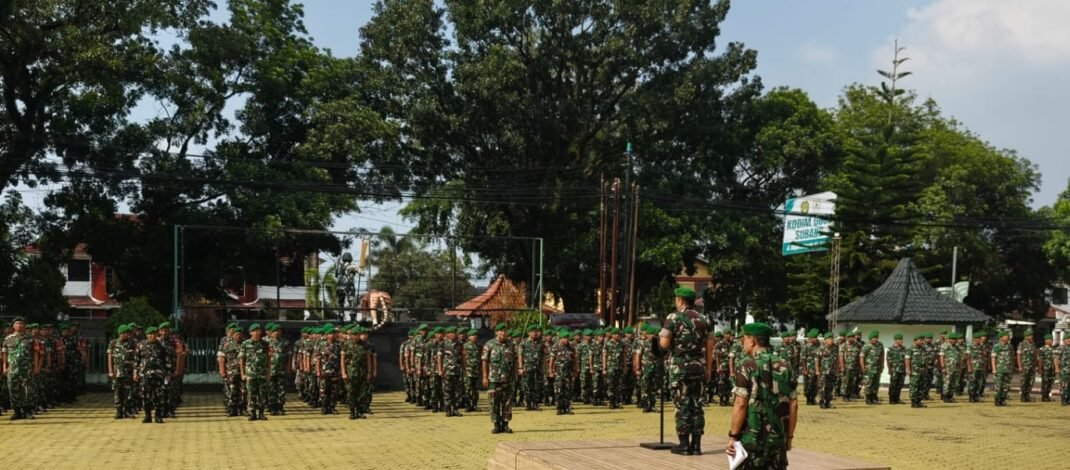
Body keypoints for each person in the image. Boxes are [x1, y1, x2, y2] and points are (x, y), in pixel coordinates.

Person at [726, 322, 798, 470]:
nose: (742, 343)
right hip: (777, 439)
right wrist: (789, 438)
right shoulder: (785, 365)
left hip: (752, 440)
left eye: (744, 339)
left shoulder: (746, 364)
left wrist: (733, 436)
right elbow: (793, 405)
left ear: (752, 341)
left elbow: (740, 403)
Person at [658, 287, 713, 456]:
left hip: (680, 367)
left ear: (680, 300)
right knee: (697, 405)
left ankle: (684, 445)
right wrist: (708, 367)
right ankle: (696, 446)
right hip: (699, 366)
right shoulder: (704, 319)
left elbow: (665, 344)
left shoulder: (673, 318)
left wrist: (662, 343)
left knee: (682, 404)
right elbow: (710, 345)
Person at [3, 317, 41, 420]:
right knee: (13, 390)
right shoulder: (7, 339)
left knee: (28, 390)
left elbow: (36, 353)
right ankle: (17, 412)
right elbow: (5, 354)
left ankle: (27, 411)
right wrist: (4, 367)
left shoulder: (31, 339)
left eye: (21, 323)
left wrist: (36, 366)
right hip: (13, 369)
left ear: (24, 326)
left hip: (27, 369)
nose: (19, 325)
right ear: (13, 326)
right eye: (17, 323)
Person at [482, 323, 516, 434]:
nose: (503, 333)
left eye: (504, 331)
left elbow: (515, 361)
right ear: (496, 332)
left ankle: (505, 424)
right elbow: (484, 361)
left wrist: (515, 375)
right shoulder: (489, 344)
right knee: (494, 402)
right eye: (500, 331)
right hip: (494, 379)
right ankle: (496, 424)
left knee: (507, 402)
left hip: (508, 379)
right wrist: (485, 377)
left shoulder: (511, 344)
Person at [134, 326, 171, 424]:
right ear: (146, 335)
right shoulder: (141, 345)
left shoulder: (161, 346)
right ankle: (147, 415)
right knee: (145, 396)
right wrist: (135, 373)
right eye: (150, 334)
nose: (152, 336)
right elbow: (136, 360)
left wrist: (168, 373)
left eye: (154, 334)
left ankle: (158, 416)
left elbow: (167, 360)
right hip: (145, 375)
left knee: (159, 396)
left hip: (158, 375)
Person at [239, 323, 271, 420]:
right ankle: (252, 412)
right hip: (250, 373)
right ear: (250, 333)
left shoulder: (265, 344)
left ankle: (261, 413)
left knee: (262, 393)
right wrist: (242, 373)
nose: (257, 333)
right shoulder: (245, 344)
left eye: (258, 331)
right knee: (251, 393)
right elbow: (242, 359)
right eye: (254, 331)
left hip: (261, 373)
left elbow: (269, 358)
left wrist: (268, 372)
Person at [107, 324, 137, 418]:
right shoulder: (113, 343)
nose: (128, 335)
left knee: (128, 392)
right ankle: (119, 411)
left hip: (128, 371)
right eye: (125, 333)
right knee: (117, 392)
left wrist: (135, 372)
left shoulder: (132, 343)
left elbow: (136, 358)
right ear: (120, 333)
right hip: (117, 372)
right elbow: (109, 358)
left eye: (128, 333)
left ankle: (127, 411)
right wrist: (110, 370)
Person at [548, 329, 576, 415]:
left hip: (568, 373)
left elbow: (575, 359)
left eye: (567, 338)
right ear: (561, 339)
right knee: (558, 390)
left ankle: (567, 408)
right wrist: (551, 371)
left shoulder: (571, 347)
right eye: (564, 338)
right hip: (559, 373)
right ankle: (559, 408)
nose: (566, 340)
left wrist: (575, 370)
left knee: (568, 390)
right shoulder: (555, 347)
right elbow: (552, 360)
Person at [859, 331, 884, 405]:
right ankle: (868, 399)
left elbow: (882, 356)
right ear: (870, 339)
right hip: (869, 368)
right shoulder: (866, 346)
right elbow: (861, 357)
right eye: (873, 338)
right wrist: (863, 368)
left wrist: (882, 365)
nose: (875, 339)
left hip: (877, 368)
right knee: (868, 383)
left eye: (876, 337)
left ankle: (874, 398)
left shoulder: (880, 345)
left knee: (876, 383)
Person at [991, 331, 1014, 407]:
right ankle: (997, 400)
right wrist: (994, 369)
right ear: (1000, 338)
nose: (1007, 337)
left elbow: (1011, 357)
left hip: (1007, 369)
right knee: (998, 385)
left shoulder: (1010, 346)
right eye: (1005, 336)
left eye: (1007, 336)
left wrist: (1012, 367)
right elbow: (993, 358)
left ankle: (1003, 399)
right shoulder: (996, 346)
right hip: (999, 369)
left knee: (1006, 386)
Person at [463, 329, 482, 412]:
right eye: (472, 335)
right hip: (468, 370)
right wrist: (464, 369)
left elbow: (480, 358)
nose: (474, 337)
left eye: (475, 335)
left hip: (476, 370)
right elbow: (463, 358)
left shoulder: (478, 346)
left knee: (476, 389)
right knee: (468, 388)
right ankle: (468, 405)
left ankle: (474, 405)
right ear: (469, 337)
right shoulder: (465, 346)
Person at [906, 334, 927, 408]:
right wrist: (908, 369)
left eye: (922, 340)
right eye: (920, 340)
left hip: (922, 370)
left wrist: (926, 368)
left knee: (921, 386)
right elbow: (907, 359)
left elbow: (925, 359)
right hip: (914, 371)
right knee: (914, 386)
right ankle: (914, 402)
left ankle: (919, 401)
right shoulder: (910, 349)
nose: (922, 342)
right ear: (915, 341)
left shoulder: (923, 349)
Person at [1017, 329, 1038, 402]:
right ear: (1025, 336)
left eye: (1032, 335)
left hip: (1032, 366)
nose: (1031, 336)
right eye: (1029, 335)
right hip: (1024, 366)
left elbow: (1035, 355)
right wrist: (1020, 366)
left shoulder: (1033, 344)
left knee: (1031, 381)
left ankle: (1027, 395)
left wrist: (1036, 365)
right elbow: (1019, 356)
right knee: (1024, 381)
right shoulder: (1021, 344)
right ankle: (1023, 396)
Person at [885, 333, 906, 404]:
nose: (900, 341)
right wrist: (889, 369)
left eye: (901, 339)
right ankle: (892, 399)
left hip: (902, 370)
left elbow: (905, 360)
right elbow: (888, 360)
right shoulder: (891, 349)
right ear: (895, 340)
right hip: (894, 370)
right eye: (898, 339)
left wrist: (906, 369)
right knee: (893, 385)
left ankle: (897, 398)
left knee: (900, 385)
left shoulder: (904, 349)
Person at [966, 335, 987, 403]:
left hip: (980, 367)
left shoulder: (981, 347)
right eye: (977, 339)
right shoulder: (970, 347)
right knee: (972, 382)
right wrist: (969, 367)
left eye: (979, 339)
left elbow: (984, 356)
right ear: (974, 339)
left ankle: (976, 396)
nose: (978, 341)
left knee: (979, 383)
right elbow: (968, 358)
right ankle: (971, 397)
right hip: (973, 367)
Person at [1039, 334, 1056, 402]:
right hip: (1045, 368)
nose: (1051, 341)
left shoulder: (1053, 349)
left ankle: (1047, 395)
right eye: (1050, 340)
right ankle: (1044, 396)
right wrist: (1040, 368)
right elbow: (1040, 359)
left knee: (1050, 382)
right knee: (1045, 382)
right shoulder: (1042, 349)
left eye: (1052, 340)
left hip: (1052, 368)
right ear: (1046, 341)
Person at [1056, 335, 1070, 406]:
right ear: (1064, 340)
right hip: (1064, 370)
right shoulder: (1060, 348)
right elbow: (1056, 359)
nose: (1069, 340)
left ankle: (1068, 399)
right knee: (1064, 385)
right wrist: (1057, 368)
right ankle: (1064, 400)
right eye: (1067, 339)